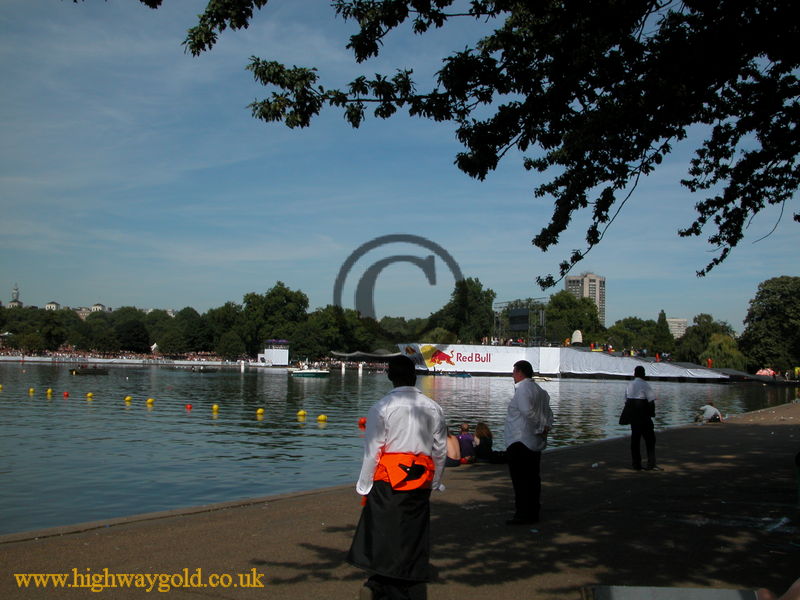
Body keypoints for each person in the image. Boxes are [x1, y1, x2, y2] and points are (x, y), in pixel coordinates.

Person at [347, 355, 447, 600]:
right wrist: (436, 480)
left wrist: (364, 483)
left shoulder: (382, 407)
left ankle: (383, 577)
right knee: (413, 528)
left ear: (390, 376)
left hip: (389, 477)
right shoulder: (433, 407)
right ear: (415, 376)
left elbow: (373, 450)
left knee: (384, 528)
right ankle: (408, 574)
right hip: (420, 475)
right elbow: (440, 449)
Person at [504, 359, 554, 525]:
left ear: (519, 372)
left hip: (520, 440)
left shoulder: (523, 389)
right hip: (533, 441)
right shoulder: (540, 390)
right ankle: (533, 511)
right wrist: (546, 426)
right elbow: (549, 413)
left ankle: (522, 513)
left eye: (513, 372)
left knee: (520, 480)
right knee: (533, 478)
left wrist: (541, 425)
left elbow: (527, 411)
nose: (512, 375)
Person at [624, 365, 659, 471]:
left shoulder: (629, 385)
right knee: (650, 440)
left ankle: (636, 465)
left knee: (635, 440)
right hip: (643, 415)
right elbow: (651, 401)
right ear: (643, 374)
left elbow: (626, 401)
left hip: (633, 416)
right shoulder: (645, 385)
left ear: (634, 374)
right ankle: (651, 464)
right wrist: (652, 414)